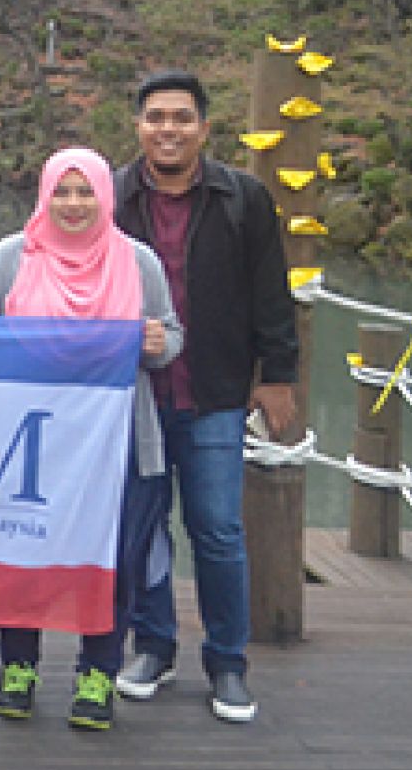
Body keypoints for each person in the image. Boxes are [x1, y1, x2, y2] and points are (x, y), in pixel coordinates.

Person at [112, 70, 300, 724]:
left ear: (203, 128)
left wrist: (276, 374)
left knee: (216, 529)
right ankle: (153, 646)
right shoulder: (110, 197)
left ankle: (226, 661)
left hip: (213, 390)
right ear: (137, 126)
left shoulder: (242, 198)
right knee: (141, 529)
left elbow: (270, 294)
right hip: (131, 395)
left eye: (181, 118)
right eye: (155, 117)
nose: (167, 129)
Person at [0, 148, 181, 732]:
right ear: (44, 195)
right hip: (32, 441)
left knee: (115, 559)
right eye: (61, 192)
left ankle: (98, 670)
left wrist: (156, 345)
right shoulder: (9, 259)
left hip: (118, 442)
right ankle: (18, 665)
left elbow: (171, 334)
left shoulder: (136, 262)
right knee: (24, 552)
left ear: (104, 195)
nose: (73, 205)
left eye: (84, 191)